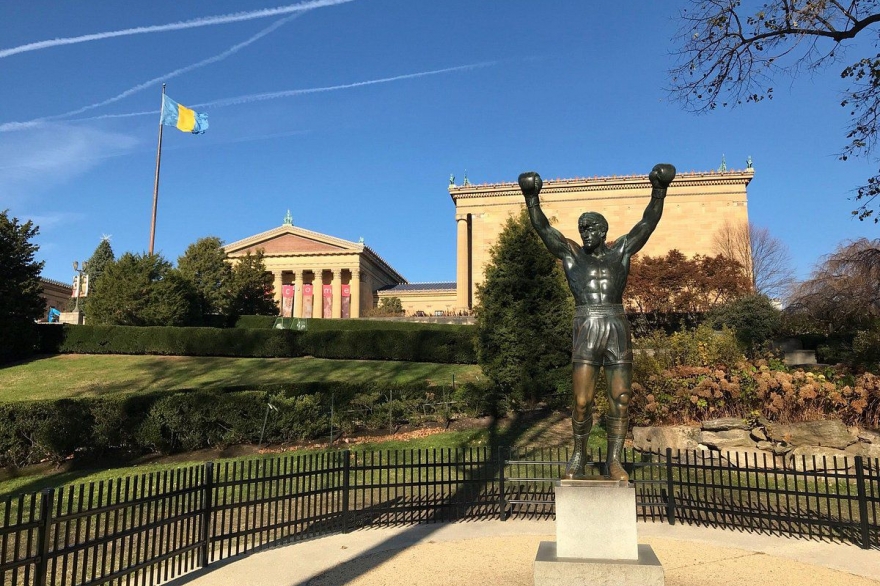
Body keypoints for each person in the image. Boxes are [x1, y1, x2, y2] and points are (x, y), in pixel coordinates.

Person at [518, 164, 676, 481]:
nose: (584, 233)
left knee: (621, 398)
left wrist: (659, 189)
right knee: (581, 400)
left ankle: (613, 460)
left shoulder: (621, 251)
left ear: (603, 231)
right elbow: (544, 229)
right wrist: (531, 197)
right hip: (586, 323)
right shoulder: (571, 255)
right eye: (581, 228)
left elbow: (648, 223)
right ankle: (579, 454)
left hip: (616, 324)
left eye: (590, 228)